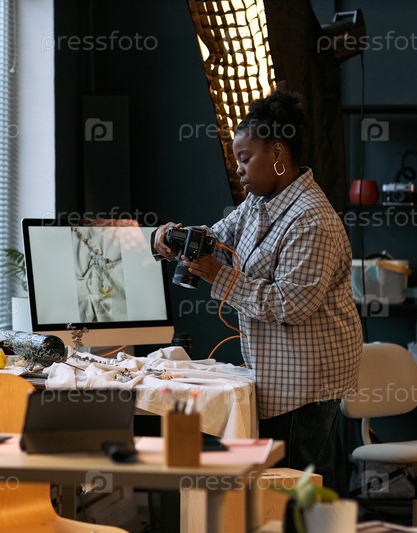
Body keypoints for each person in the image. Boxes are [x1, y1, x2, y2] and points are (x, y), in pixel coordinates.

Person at [153, 87, 362, 489]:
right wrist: (169, 239)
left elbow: (290, 304)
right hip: (276, 372)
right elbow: (218, 236)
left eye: (245, 159)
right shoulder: (260, 202)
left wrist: (218, 275)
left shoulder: (312, 220)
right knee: (282, 487)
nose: (239, 170)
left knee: (298, 488)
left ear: (278, 153)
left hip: (307, 379)